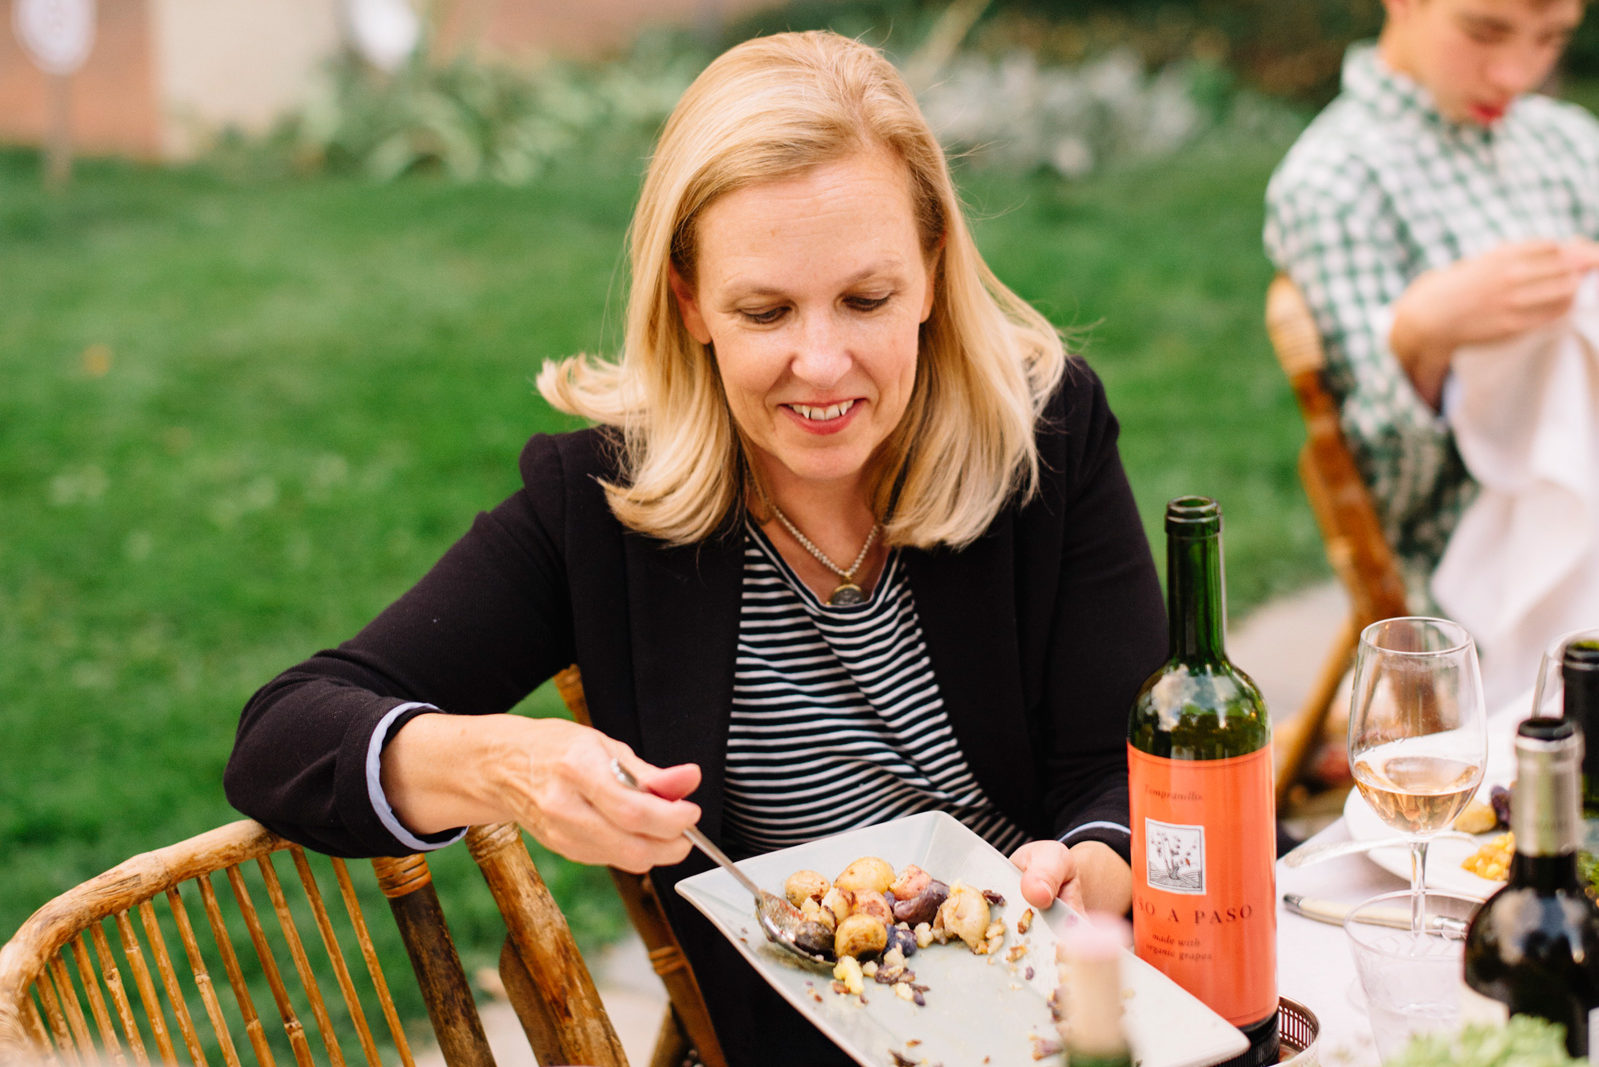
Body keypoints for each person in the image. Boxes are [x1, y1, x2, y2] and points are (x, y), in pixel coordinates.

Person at [224, 30, 1165, 1066]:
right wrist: (507, 763)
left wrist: (1097, 863)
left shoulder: (1044, 434)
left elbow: (1128, 765)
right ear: (688, 300)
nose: (821, 363)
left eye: (867, 299)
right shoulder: (602, 504)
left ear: (933, 270)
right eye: (765, 310)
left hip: (1099, 1010)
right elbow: (283, 736)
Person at [1263, 0, 1599, 594]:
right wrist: (1420, 337)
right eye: (1484, 32)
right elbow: (1386, 507)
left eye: (1550, 39)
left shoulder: (1570, 144)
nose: (1514, 75)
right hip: (1486, 581)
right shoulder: (1335, 183)